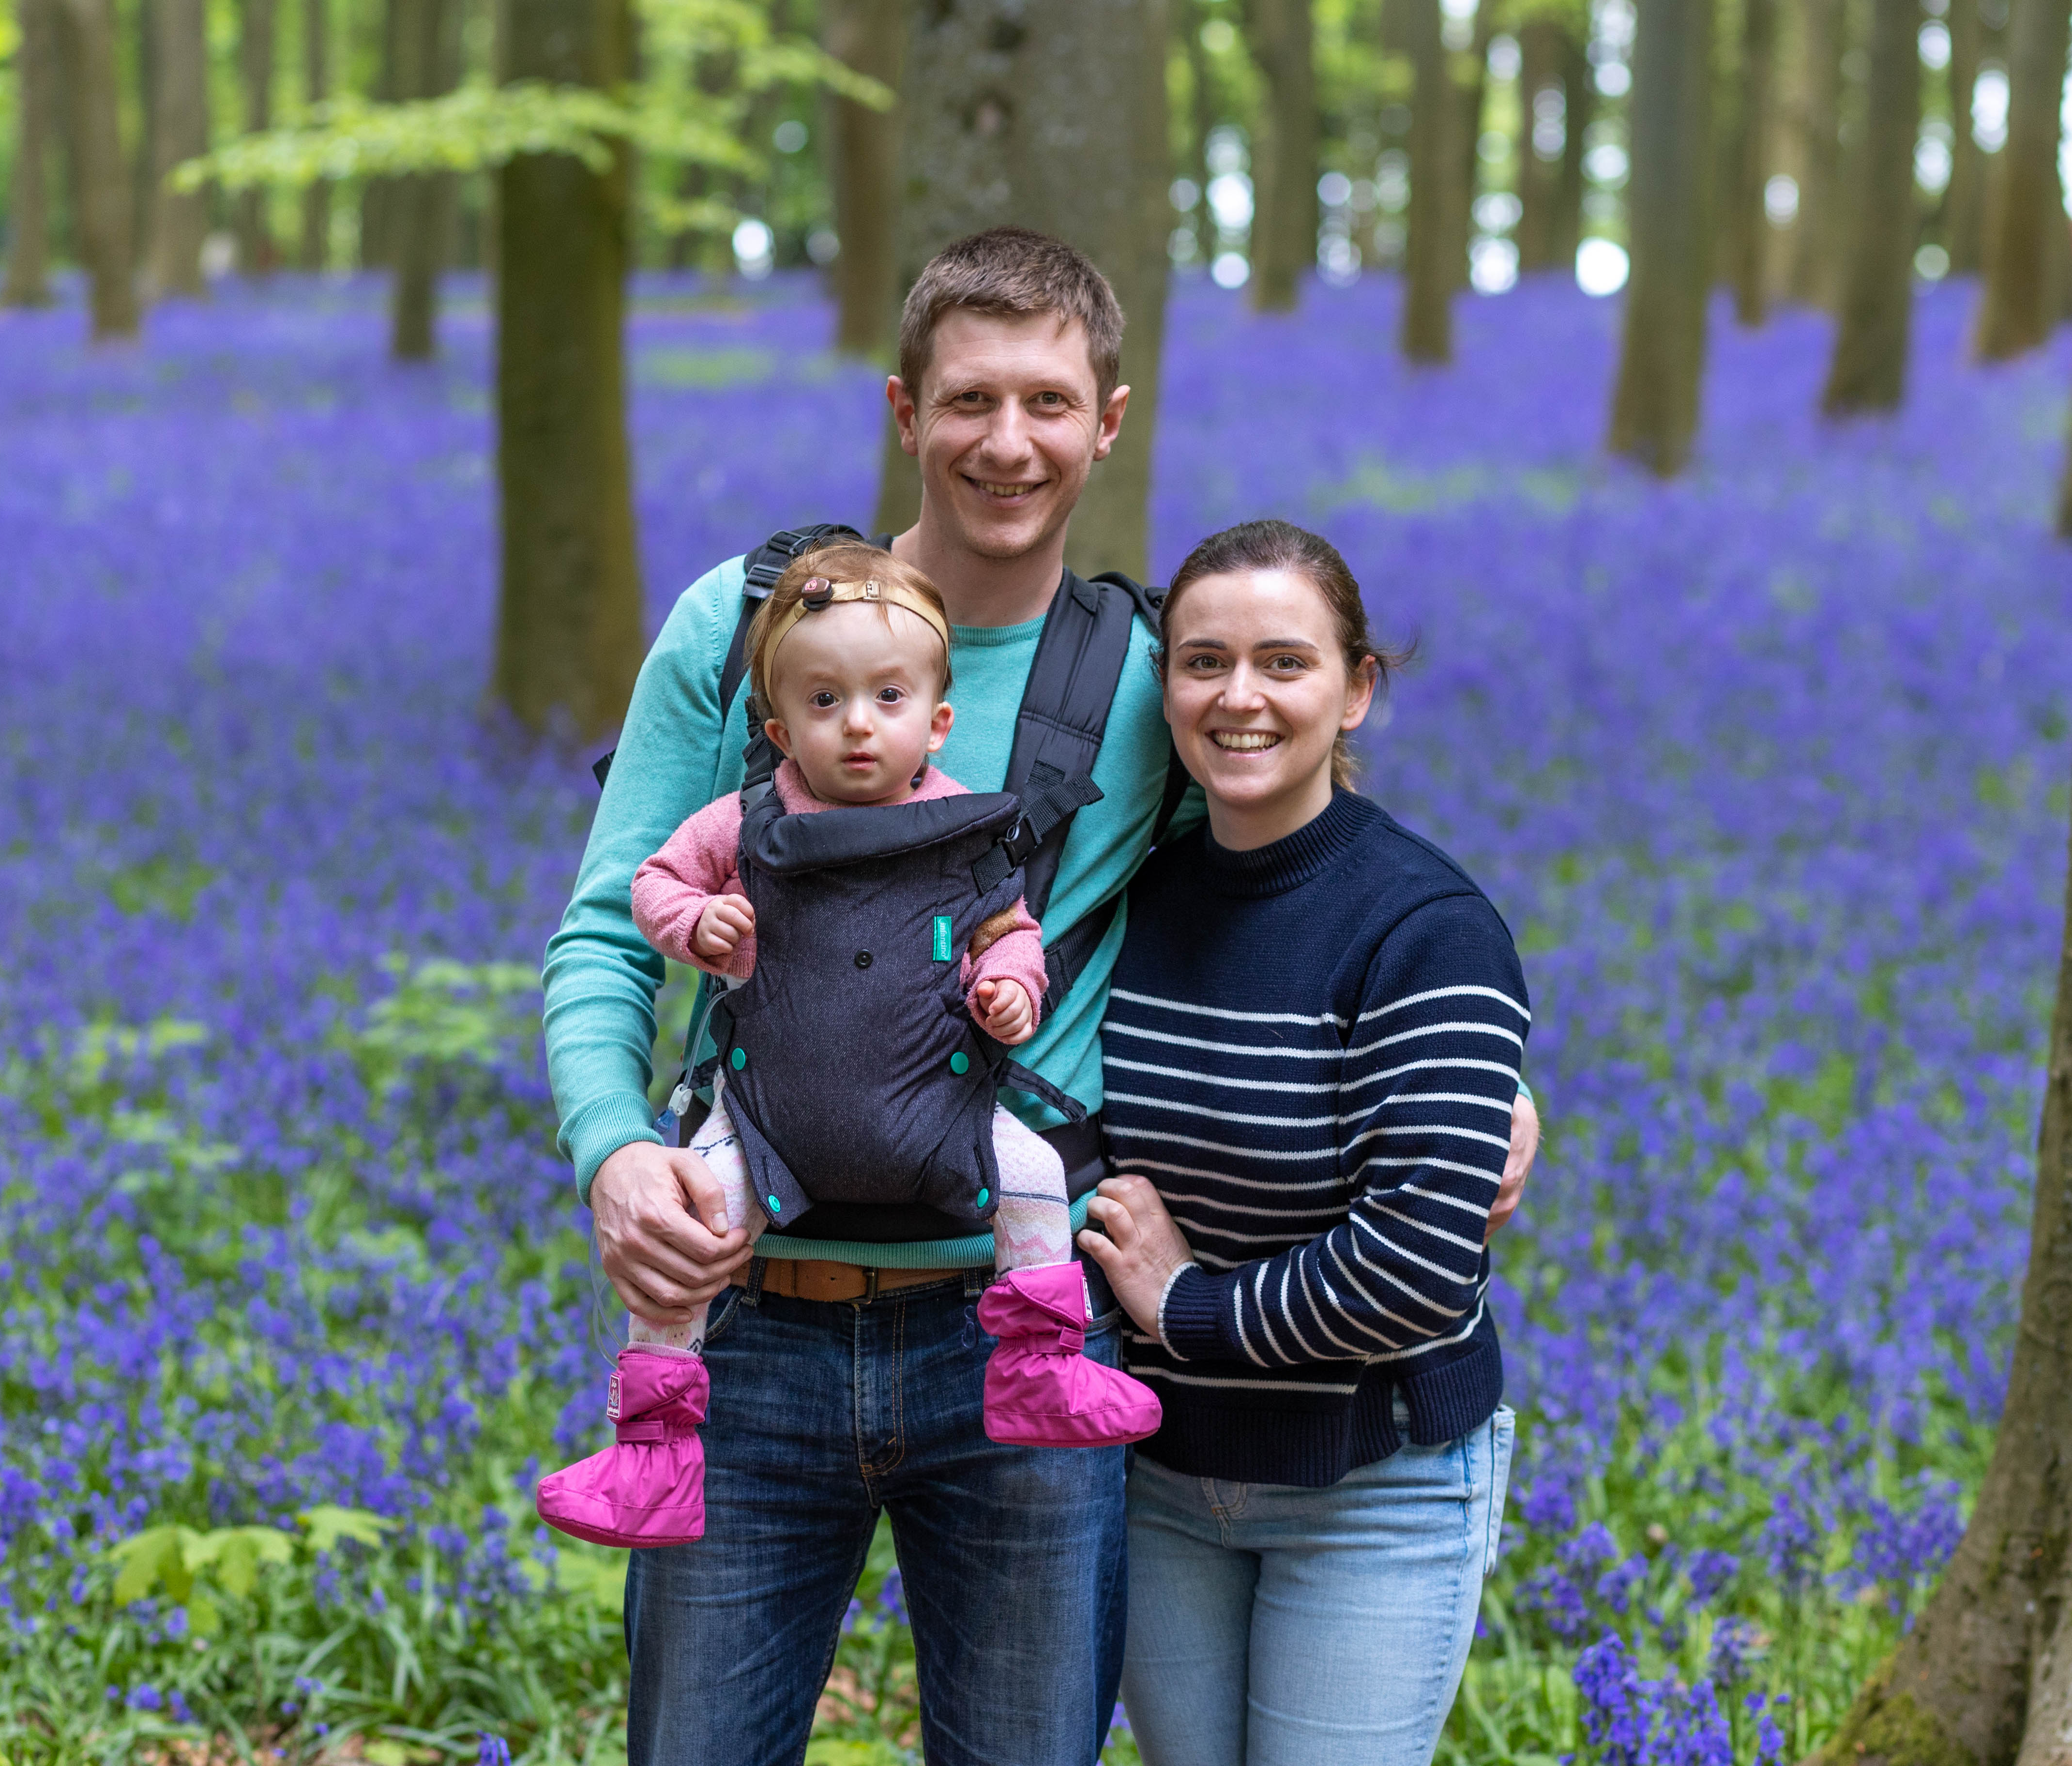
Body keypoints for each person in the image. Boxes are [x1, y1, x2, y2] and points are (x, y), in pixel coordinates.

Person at [543, 227, 1537, 1766]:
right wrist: (614, 1148)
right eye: (969, 401)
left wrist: (1483, 1085)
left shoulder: (1156, 681)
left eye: (1050, 404)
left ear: (1111, 422)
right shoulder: (741, 634)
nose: (1008, 445)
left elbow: (1306, 883)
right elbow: (610, 934)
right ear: (903, 411)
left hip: (1024, 1341)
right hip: (745, 1319)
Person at [534, 546, 1160, 1551]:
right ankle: (651, 1451)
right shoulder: (747, 819)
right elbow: (648, 888)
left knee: (1035, 1170)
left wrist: (1010, 990)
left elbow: (1012, 931)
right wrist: (697, 928)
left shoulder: (963, 827)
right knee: (695, 1231)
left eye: (886, 699)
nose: (858, 724)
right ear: (779, 728)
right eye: (825, 702)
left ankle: (1038, 1364)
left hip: (942, 1110)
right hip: (766, 1123)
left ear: (937, 721)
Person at [1080, 519, 1529, 1766]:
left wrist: (1184, 1306)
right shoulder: (1130, 901)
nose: (1240, 698)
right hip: (1163, 1479)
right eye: (1202, 661)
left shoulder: (1426, 929)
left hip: (1371, 1484)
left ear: (1358, 690)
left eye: (1286, 662)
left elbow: (1415, 1271)